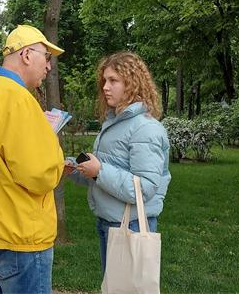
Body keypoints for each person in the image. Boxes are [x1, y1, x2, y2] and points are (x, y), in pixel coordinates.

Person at [0, 25, 66, 294]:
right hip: (18, 235)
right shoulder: (19, 100)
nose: (48, 67)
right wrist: (55, 152)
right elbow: (39, 174)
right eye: (47, 57)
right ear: (27, 55)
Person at [65, 51, 171, 274]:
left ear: (132, 84)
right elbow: (102, 175)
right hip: (109, 222)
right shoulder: (114, 123)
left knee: (127, 288)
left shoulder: (145, 128)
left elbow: (144, 188)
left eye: (113, 80)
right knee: (115, 287)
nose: (105, 87)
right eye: (104, 80)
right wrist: (73, 168)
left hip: (131, 226)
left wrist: (99, 171)